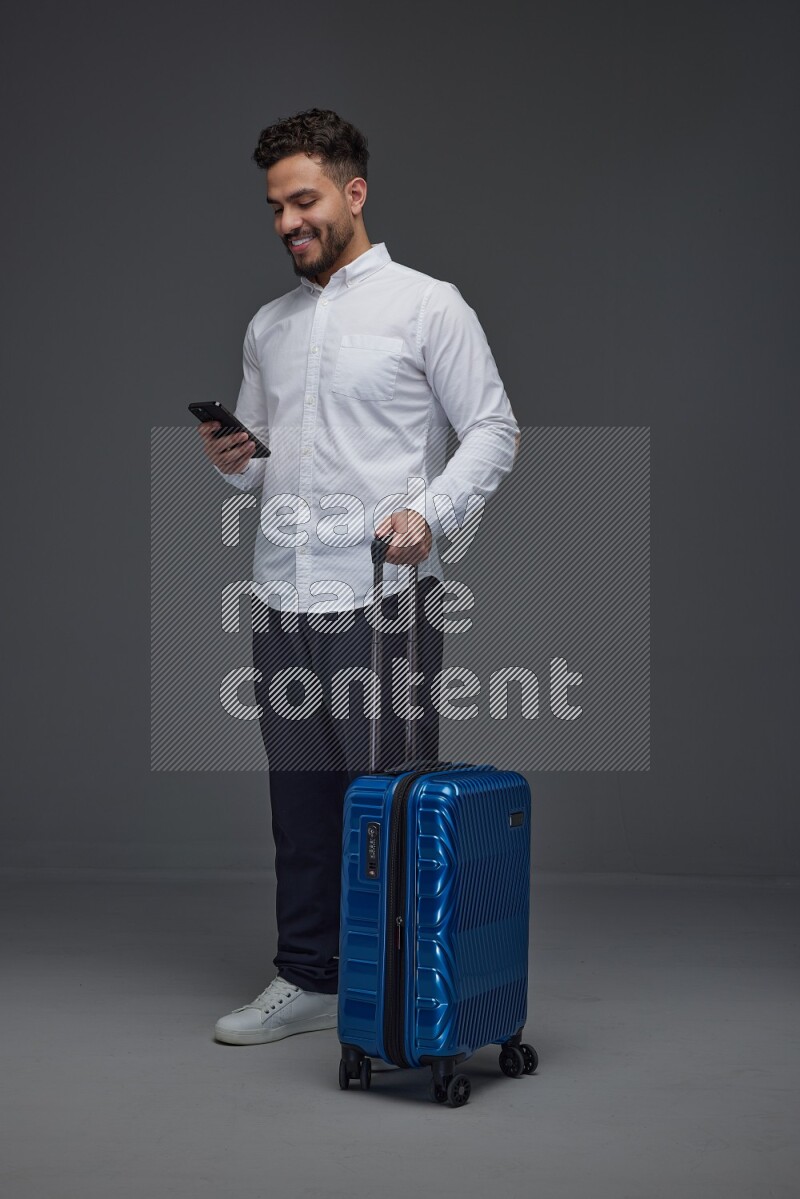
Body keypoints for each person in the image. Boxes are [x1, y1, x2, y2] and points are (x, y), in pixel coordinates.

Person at [198, 108, 520, 1045]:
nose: (286, 222)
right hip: (281, 590)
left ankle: (407, 993)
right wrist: (236, 458)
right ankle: (307, 976)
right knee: (299, 805)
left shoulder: (428, 306)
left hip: (380, 592)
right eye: (274, 207)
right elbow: (264, 465)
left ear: (353, 192)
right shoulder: (269, 326)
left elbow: (494, 429)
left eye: (303, 201)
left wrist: (434, 515)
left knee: (388, 798)